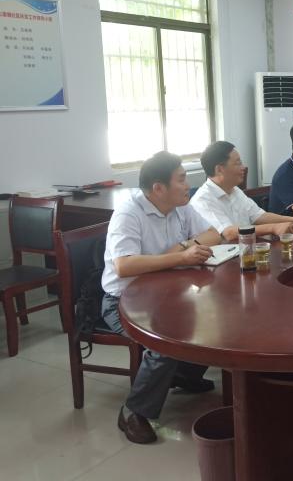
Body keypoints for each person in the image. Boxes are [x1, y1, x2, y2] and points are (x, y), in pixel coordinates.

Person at [101, 151, 221, 444]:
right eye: (181, 179)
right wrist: (179, 257)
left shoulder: (180, 206)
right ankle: (134, 412)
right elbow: (124, 265)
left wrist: (181, 247)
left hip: (166, 292)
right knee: (166, 340)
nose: (187, 185)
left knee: (216, 317)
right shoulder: (129, 213)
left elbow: (213, 234)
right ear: (158, 188)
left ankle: (183, 374)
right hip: (123, 301)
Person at [190, 141, 293, 241]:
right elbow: (229, 233)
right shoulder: (203, 200)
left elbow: (259, 216)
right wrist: (273, 228)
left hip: (246, 249)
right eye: (238, 163)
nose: (243, 168)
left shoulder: (234, 190)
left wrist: (292, 219)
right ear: (219, 169)